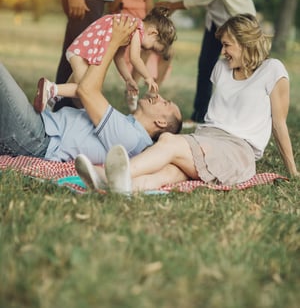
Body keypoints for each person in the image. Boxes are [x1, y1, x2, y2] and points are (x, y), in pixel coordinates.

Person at [75, 14, 299, 194]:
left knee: (168, 142)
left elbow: (279, 124)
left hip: (237, 151)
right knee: (169, 171)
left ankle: (104, 176)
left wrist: (293, 172)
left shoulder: (272, 70)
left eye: (227, 45)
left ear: (245, 43)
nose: (223, 52)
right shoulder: (221, 68)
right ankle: (124, 188)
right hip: (205, 138)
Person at [0, 17, 182, 164]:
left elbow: (87, 90)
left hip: (37, 138)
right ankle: (53, 92)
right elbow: (82, 98)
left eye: (165, 103)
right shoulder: (126, 124)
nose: (159, 97)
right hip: (41, 125)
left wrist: (113, 42)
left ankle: (53, 90)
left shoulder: (131, 139)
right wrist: (127, 77)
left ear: (161, 122)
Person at [34, 7, 176, 112]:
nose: (148, 50)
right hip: (83, 52)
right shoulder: (137, 28)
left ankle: (54, 100)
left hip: (82, 52)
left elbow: (119, 57)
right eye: (153, 47)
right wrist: (148, 77)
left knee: (82, 98)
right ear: (153, 33)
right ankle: (51, 89)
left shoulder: (129, 28)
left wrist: (128, 79)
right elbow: (135, 58)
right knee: (87, 90)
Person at [109, 0, 172, 112]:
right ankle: (133, 88)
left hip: (143, 20)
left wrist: (156, 23)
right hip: (124, 21)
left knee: (167, 50)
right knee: (143, 47)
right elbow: (112, 8)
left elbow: (150, 5)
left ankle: (154, 90)